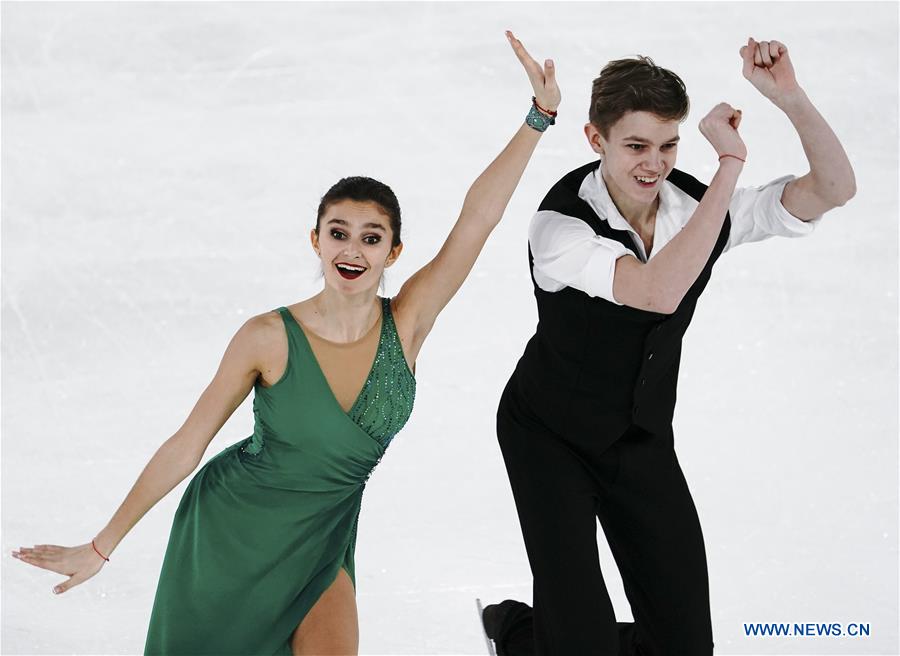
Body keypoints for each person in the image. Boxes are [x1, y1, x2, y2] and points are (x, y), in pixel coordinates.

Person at [11, 31, 560, 656]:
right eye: (339, 233)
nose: (352, 250)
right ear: (316, 240)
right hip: (230, 531)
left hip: (324, 539)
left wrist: (537, 120)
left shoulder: (406, 323)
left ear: (394, 252)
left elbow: (476, 222)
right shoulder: (268, 337)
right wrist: (103, 544)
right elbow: (188, 443)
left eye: (372, 238)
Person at [480, 37, 855, 656]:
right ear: (595, 140)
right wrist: (730, 165)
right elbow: (654, 291)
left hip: (639, 439)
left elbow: (835, 188)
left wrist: (788, 98)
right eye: (635, 146)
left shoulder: (692, 208)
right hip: (550, 436)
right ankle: (517, 631)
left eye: (668, 144)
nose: (654, 164)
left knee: (685, 647)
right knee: (581, 644)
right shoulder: (560, 226)